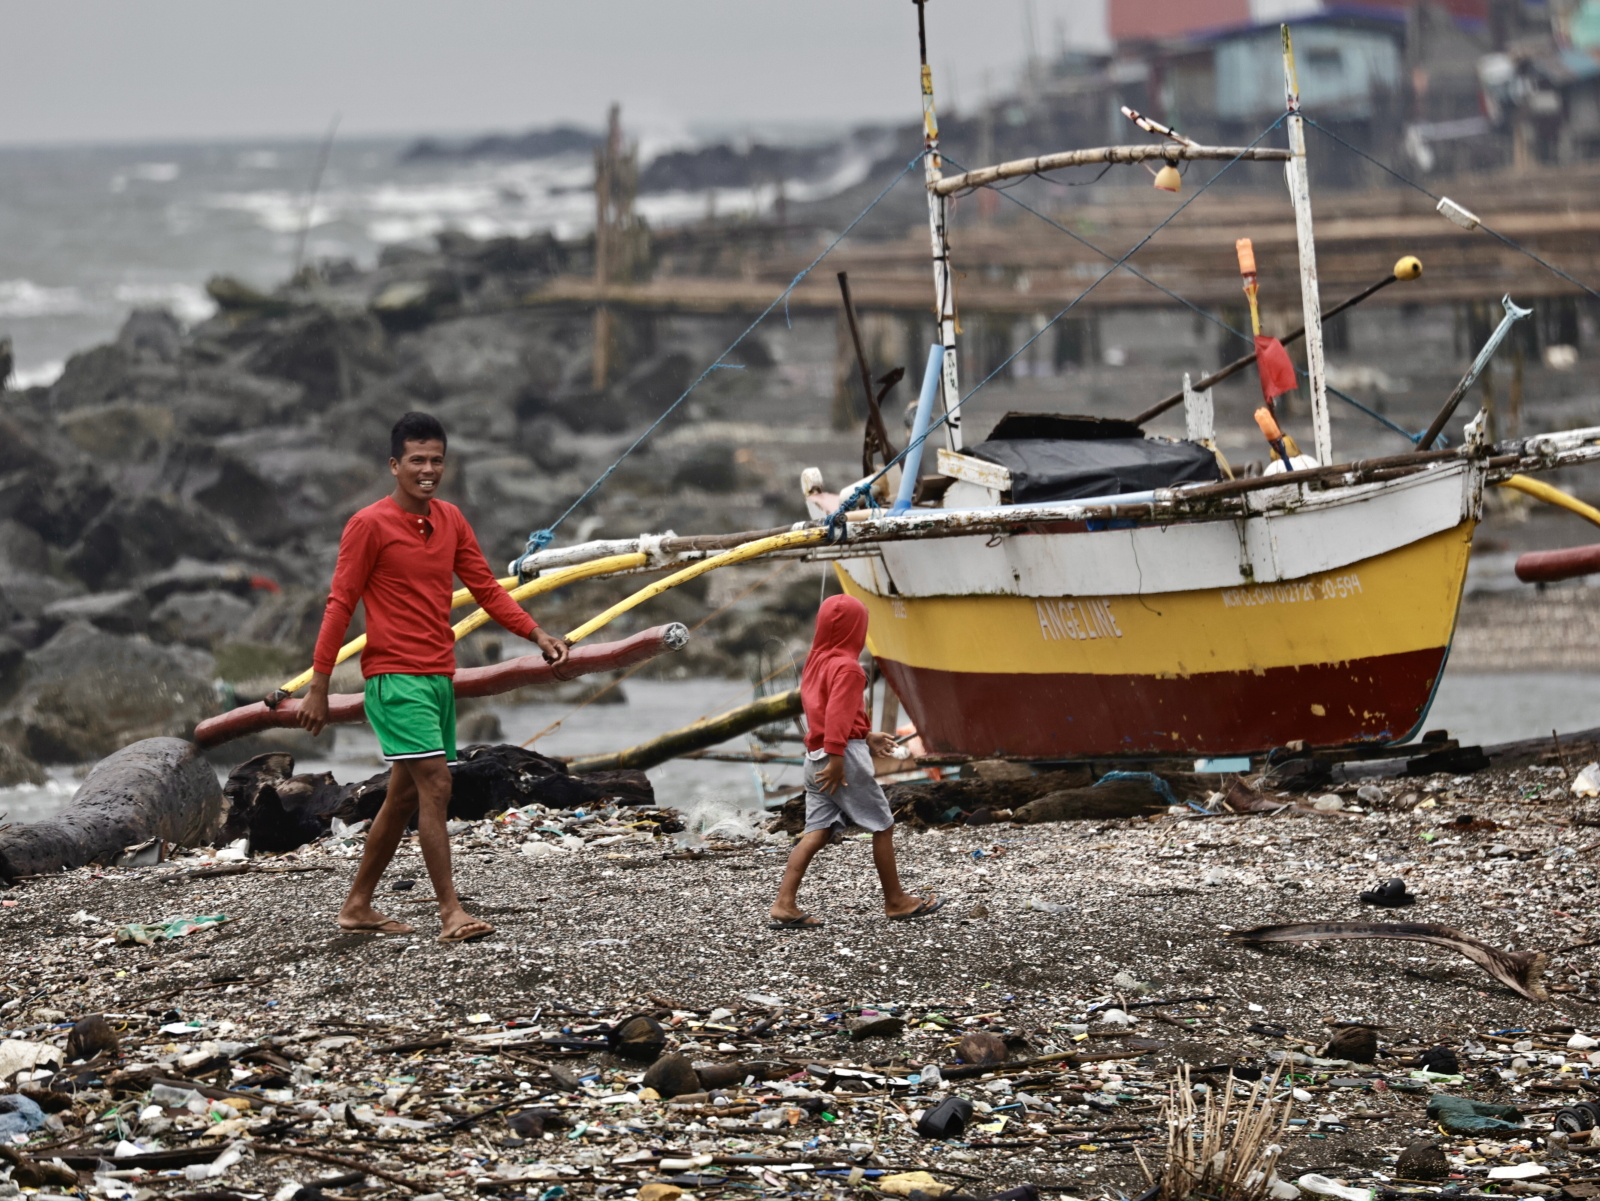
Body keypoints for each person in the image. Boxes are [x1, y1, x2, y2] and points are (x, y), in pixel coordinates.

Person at [299, 411, 569, 943]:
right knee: (438, 785)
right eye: (417, 461)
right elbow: (339, 604)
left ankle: (357, 905)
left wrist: (537, 635)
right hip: (394, 681)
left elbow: (487, 591)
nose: (428, 470)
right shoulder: (368, 524)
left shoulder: (450, 519)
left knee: (403, 797)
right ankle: (451, 912)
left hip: (437, 678)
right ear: (394, 465)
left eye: (436, 460)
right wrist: (318, 685)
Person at [768, 594, 943, 928]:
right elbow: (836, 718)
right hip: (840, 758)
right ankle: (896, 901)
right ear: (856, 630)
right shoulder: (850, 669)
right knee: (883, 824)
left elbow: (824, 713)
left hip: (815, 757)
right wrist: (839, 758)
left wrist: (866, 735)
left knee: (816, 832)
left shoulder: (815, 663)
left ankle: (784, 903)